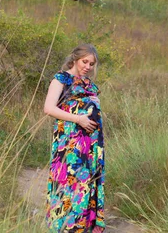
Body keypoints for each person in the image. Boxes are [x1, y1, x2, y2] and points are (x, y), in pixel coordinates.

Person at [43, 44, 105, 232]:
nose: (87, 66)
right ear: (75, 59)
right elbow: (49, 108)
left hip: (92, 143)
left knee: (87, 182)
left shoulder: (91, 85)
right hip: (69, 141)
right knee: (68, 180)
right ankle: (63, 226)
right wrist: (79, 119)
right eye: (84, 61)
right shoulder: (62, 79)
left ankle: (83, 226)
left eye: (91, 63)